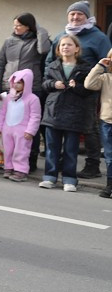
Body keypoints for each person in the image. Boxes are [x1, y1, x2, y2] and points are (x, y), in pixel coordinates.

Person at [47, 1, 111, 179]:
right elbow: (49, 61)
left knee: (89, 125)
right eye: (72, 14)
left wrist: (93, 84)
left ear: (87, 16)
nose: (75, 17)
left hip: (87, 90)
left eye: (79, 14)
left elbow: (107, 63)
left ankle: (92, 164)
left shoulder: (99, 38)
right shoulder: (62, 36)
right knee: (60, 125)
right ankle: (60, 162)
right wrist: (51, 80)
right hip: (62, 91)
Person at [0, 13, 51, 173]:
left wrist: (39, 29)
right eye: (14, 25)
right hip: (9, 86)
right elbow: (0, 64)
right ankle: (8, 161)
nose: (15, 28)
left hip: (32, 87)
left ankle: (30, 161)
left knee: (28, 127)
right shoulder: (8, 42)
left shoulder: (36, 41)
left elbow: (44, 49)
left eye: (19, 25)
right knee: (9, 125)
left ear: (28, 26)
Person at [39, 35, 94, 192]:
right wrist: (53, 84)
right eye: (62, 45)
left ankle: (69, 179)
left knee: (71, 149)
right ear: (58, 49)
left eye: (69, 45)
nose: (65, 47)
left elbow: (90, 89)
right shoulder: (53, 66)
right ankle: (50, 177)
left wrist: (76, 86)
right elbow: (44, 84)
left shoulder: (85, 68)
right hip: (53, 111)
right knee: (52, 147)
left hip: (74, 112)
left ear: (77, 48)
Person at [0, 69, 41, 183]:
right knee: (8, 149)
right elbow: (2, 112)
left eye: (20, 82)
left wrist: (30, 130)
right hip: (7, 129)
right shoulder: (8, 97)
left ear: (27, 83)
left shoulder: (32, 99)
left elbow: (35, 116)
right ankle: (8, 167)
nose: (16, 84)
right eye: (14, 81)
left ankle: (20, 170)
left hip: (22, 131)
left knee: (21, 150)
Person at [83, 47, 112, 198]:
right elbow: (89, 84)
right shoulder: (106, 78)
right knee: (109, 155)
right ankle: (110, 185)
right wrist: (100, 66)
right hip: (107, 121)